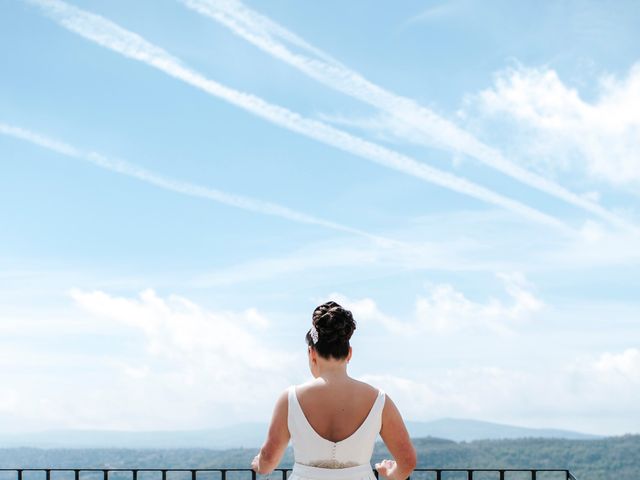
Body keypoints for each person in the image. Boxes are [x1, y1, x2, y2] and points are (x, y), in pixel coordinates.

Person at [251, 301, 417, 480]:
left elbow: (268, 460)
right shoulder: (379, 399)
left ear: (311, 353)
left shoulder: (290, 399)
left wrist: (258, 464)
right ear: (349, 353)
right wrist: (391, 474)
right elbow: (407, 461)